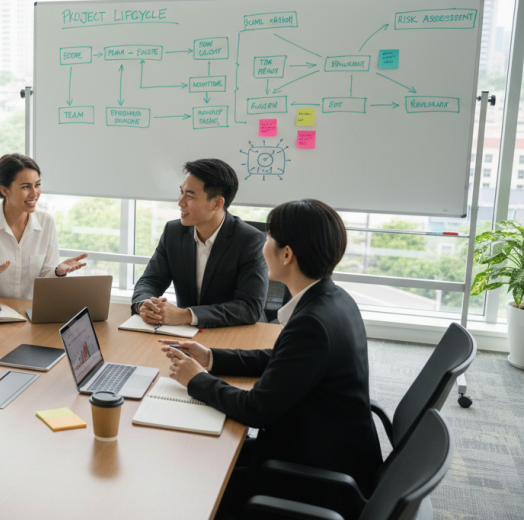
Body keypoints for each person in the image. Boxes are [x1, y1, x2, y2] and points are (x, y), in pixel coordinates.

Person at [160, 199, 383, 516]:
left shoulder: (312, 323)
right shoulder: (334, 298)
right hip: (326, 449)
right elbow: (283, 359)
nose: (263, 246)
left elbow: (256, 410)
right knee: (202, 454)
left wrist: (196, 379)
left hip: (316, 476)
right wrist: (211, 358)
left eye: (268, 239)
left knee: (192, 483)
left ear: (287, 254)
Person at [132, 158, 268, 328]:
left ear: (217, 203)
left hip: (237, 334)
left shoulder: (250, 241)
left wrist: (186, 315)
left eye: (189, 196)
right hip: (188, 334)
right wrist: (144, 304)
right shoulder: (173, 232)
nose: (180, 202)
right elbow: (150, 281)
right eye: (181, 192)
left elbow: (249, 307)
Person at [0, 153, 87, 299]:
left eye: (37, 185)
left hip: (30, 314)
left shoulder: (46, 223)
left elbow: (46, 281)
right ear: (5, 190)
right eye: (26, 187)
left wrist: (58, 272)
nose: (34, 194)